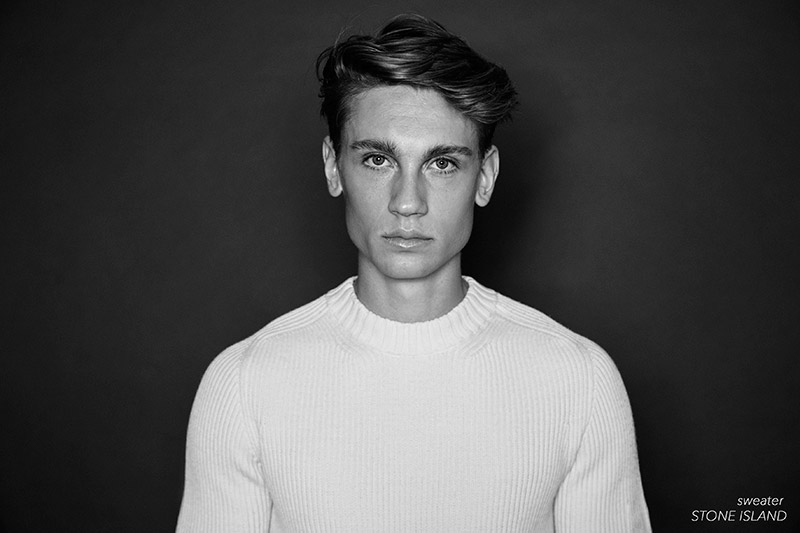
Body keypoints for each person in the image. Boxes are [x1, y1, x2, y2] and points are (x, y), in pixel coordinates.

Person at [177, 14, 651, 532]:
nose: (408, 202)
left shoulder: (579, 381)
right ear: (334, 167)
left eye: (441, 164)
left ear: (485, 177)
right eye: (378, 160)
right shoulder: (244, 384)